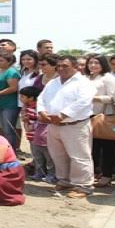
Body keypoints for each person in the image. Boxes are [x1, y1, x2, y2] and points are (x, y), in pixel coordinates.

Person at [37, 55, 95, 199]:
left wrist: (63, 115)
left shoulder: (83, 83)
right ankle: (65, 180)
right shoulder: (53, 82)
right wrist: (42, 111)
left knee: (79, 156)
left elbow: (83, 101)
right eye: (59, 66)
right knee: (58, 154)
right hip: (53, 124)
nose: (61, 69)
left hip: (75, 125)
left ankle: (83, 185)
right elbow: (41, 98)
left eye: (65, 66)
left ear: (75, 66)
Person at [85, 53, 115, 188]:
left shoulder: (108, 78)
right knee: (92, 148)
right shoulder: (86, 77)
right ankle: (95, 173)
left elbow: (113, 98)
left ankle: (107, 175)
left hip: (104, 117)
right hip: (88, 116)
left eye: (96, 63)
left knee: (107, 148)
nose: (93, 65)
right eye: (90, 63)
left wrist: (94, 98)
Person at [20, 86, 54, 182]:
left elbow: (42, 119)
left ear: (31, 98)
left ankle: (51, 175)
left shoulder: (40, 107)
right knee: (37, 156)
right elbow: (26, 121)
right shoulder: (26, 108)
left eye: (22, 96)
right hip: (32, 136)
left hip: (43, 135)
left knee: (49, 157)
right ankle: (39, 173)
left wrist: (31, 122)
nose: (20, 99)